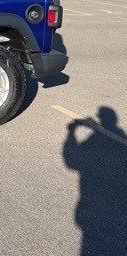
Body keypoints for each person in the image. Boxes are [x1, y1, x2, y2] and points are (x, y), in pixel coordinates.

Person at [62, 107, 127, 255]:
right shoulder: (121, 137)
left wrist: (72, 131)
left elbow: (71, 161)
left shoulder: (93, 141)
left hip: (94, 208)